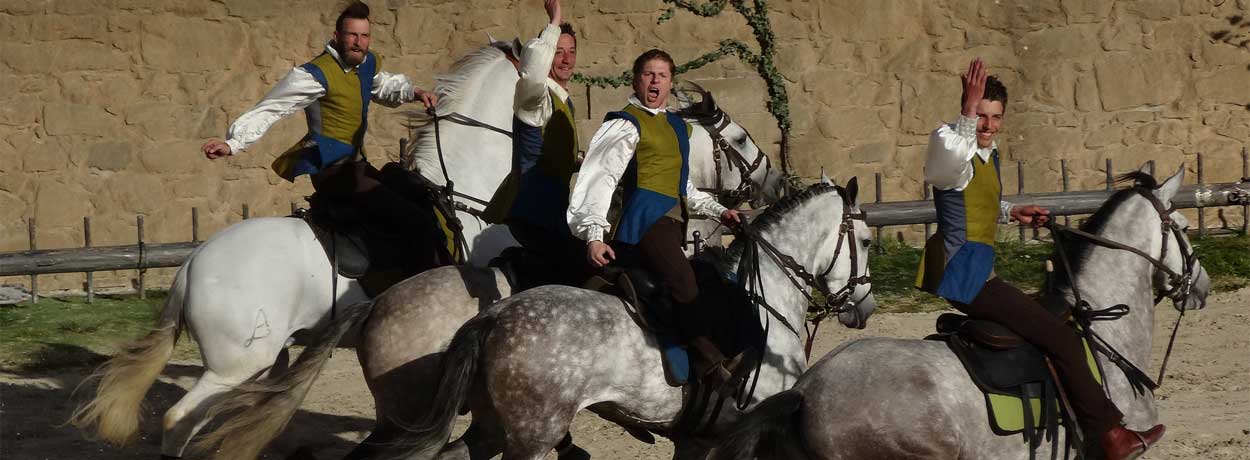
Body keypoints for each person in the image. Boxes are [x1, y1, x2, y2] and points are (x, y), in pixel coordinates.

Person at [915, 58, 1165, 460]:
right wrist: (966, 110)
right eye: (981, 115)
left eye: (995, 117)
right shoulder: (950, 142)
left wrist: (1010, 211)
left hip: (978, 270)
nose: (988, 125)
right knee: (1063, 338)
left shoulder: (985, 154)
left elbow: (968, 198)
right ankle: (1110, 435)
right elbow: (946, 172)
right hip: (965, 273)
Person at [201, 1, 453, 273]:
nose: (358, 42)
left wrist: (415, 92)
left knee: (416, 189)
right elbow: (273, 107)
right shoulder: (313, 75)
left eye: (364, 36)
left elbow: (382, 84)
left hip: (358, 168)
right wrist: (232, 143)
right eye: (352, 35)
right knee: (411, 219)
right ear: (337, 36)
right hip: (331, 171)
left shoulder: (366, 64)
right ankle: (417, 285)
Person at [567, 49, 743, 380]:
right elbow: (599, 178)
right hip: (644, 225)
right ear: (636, 80)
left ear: (670, 83)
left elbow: (685, 188)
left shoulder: (676, 127)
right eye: (648, 73)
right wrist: (593, 235)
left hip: (671, 226)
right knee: (684, 282)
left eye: (662, 75)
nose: (655, 80)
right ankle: (710, 363)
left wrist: (721, 211)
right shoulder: (625, 123)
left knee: (710, 278)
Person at [491, 0, 591, 287]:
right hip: (532, 211)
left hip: (552, 213)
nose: (566, 59)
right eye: (558, 52)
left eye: (571, 52)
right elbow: (532, 73)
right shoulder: (535, 97)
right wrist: (554, 22)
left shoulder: (562, 100)